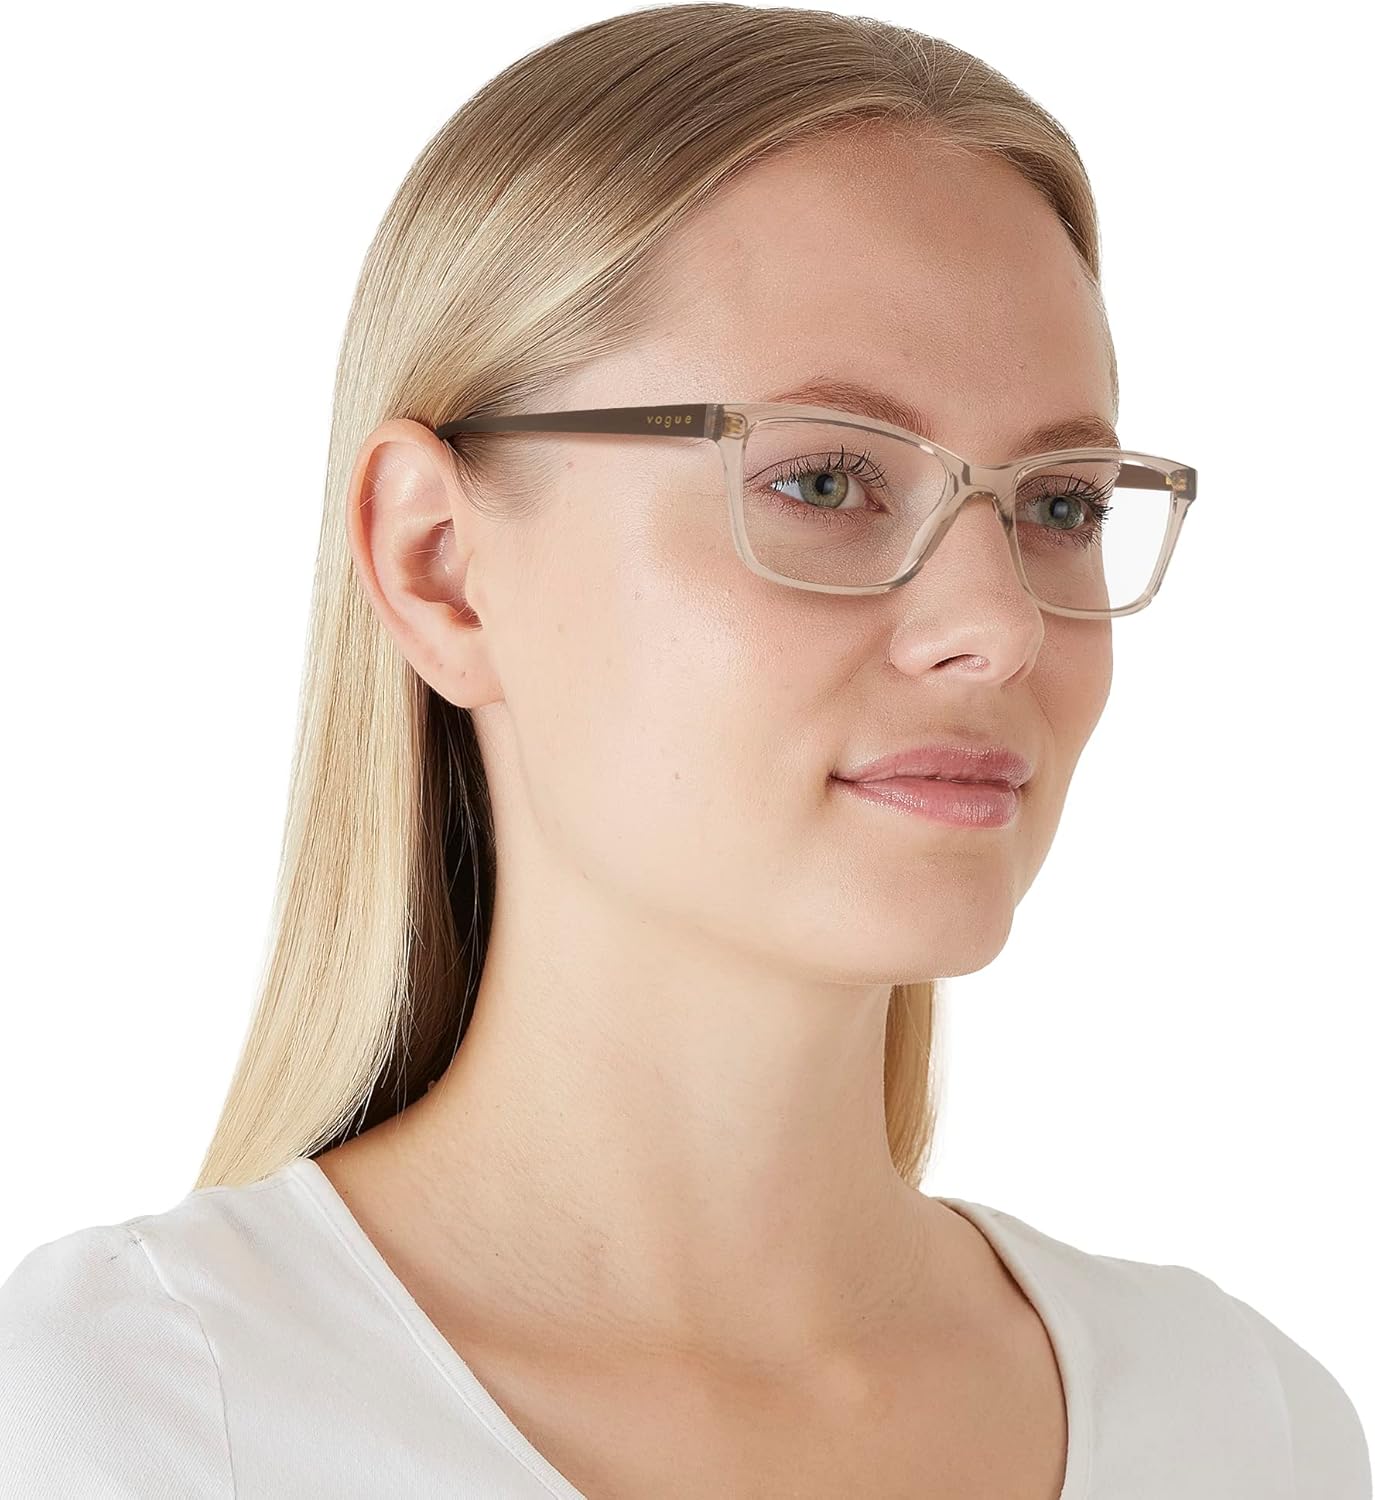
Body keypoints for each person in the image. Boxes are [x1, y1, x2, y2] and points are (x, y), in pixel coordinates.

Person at [1, 5, 1367, 1497]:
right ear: (440, 563)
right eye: (825, 478)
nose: (1000, 628)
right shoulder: (112, 1422)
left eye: (1063, 505)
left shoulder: (1252, 1430)